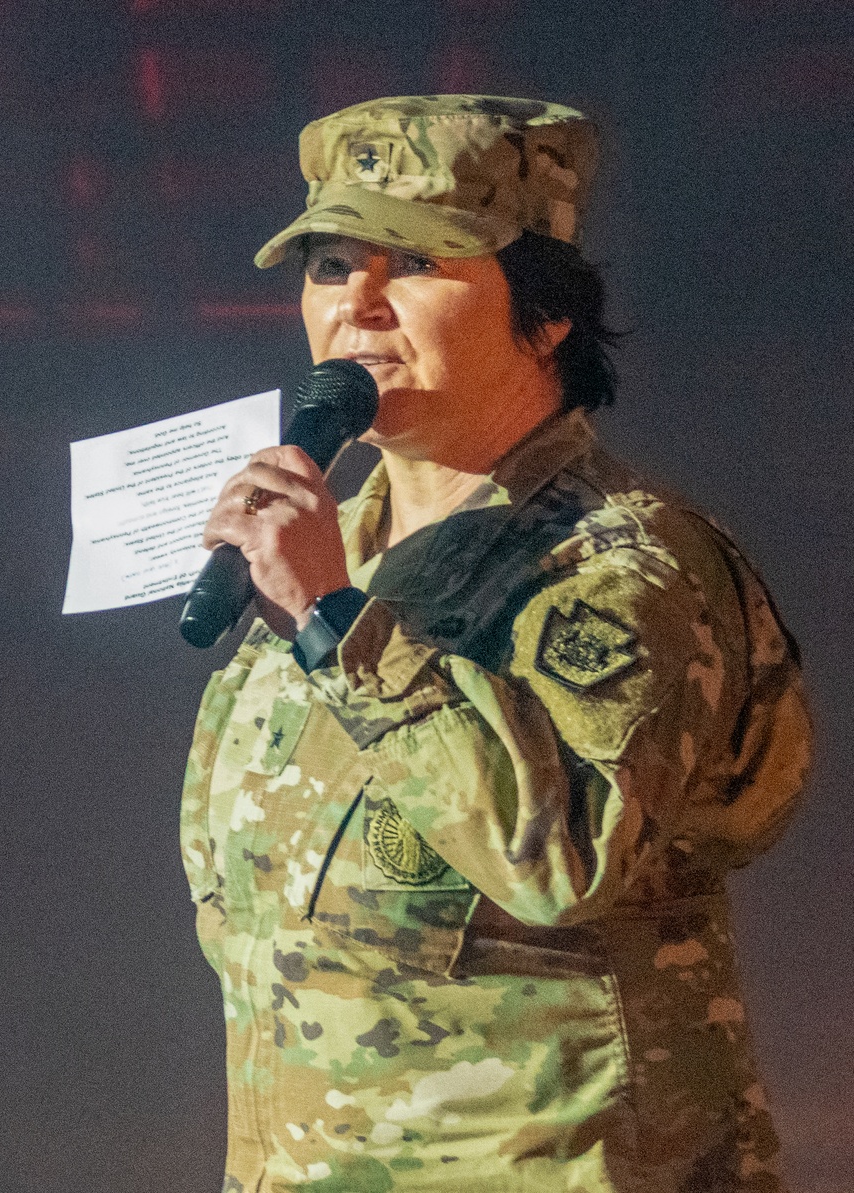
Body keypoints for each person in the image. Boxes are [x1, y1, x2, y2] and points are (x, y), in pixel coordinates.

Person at [179, 95, 812, 1193]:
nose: (359, 303)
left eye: (415, 262)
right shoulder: (336, 549)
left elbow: (555, 855)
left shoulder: (624, 568)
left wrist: (339, 623)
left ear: (548, 311)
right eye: (331, 264)